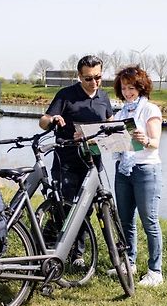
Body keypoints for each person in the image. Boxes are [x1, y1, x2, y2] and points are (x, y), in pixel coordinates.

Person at [39, 55, 113, 265]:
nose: (94, 82)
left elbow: (110, 123)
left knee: (86, 209)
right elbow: (43, 121)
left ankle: (77, 255)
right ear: (79, 76)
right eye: (88, 78)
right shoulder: (66, 94)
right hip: (67, 161)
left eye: (97, 77)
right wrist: (53, 119)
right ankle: (49, 247)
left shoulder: (104, 97)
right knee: (65, 207)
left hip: (92, 162)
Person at [110, 65, 164, 286]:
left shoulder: (150, 109)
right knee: (124, 221)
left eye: (131, 87)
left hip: (146, 170)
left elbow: (155, 143)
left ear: (141, 88)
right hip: (123, 169)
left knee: (149, 221)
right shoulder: (120, 113)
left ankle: (155, 271)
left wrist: (145, 140)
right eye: (124, 88)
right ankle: (128, 262)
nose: (127, 92)